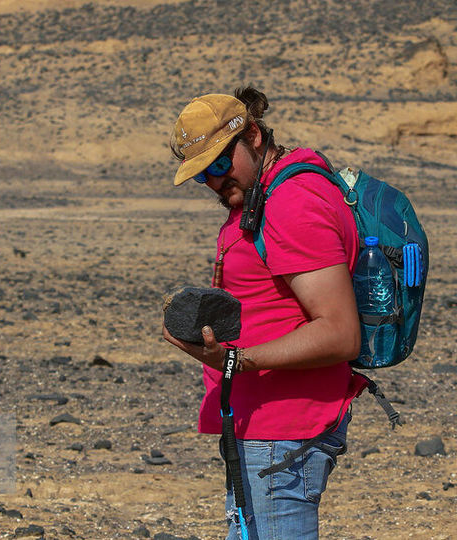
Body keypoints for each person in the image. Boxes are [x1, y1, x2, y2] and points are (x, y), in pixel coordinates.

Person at [163, 86, 370, 540]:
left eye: (220, 165)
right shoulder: (265, 193)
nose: (215, 182)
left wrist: (236, 360)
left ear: (253, 136)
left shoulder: (292, 203)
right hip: (265, 428)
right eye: (202, 175)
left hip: (283, 433)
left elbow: (340, 332)